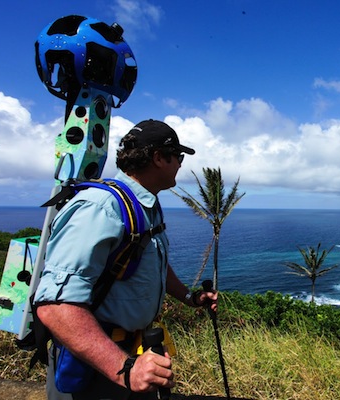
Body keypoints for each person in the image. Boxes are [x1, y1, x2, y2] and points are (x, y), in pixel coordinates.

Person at [34, 119, 218, 399]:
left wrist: (190, 298)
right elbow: (56, 306)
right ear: (158, 158)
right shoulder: (100, 207)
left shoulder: (146, 206)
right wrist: (124, 368)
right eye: (177, 157)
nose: (181, 164)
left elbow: (151, 261)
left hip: (133, 354)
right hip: (94, 365)